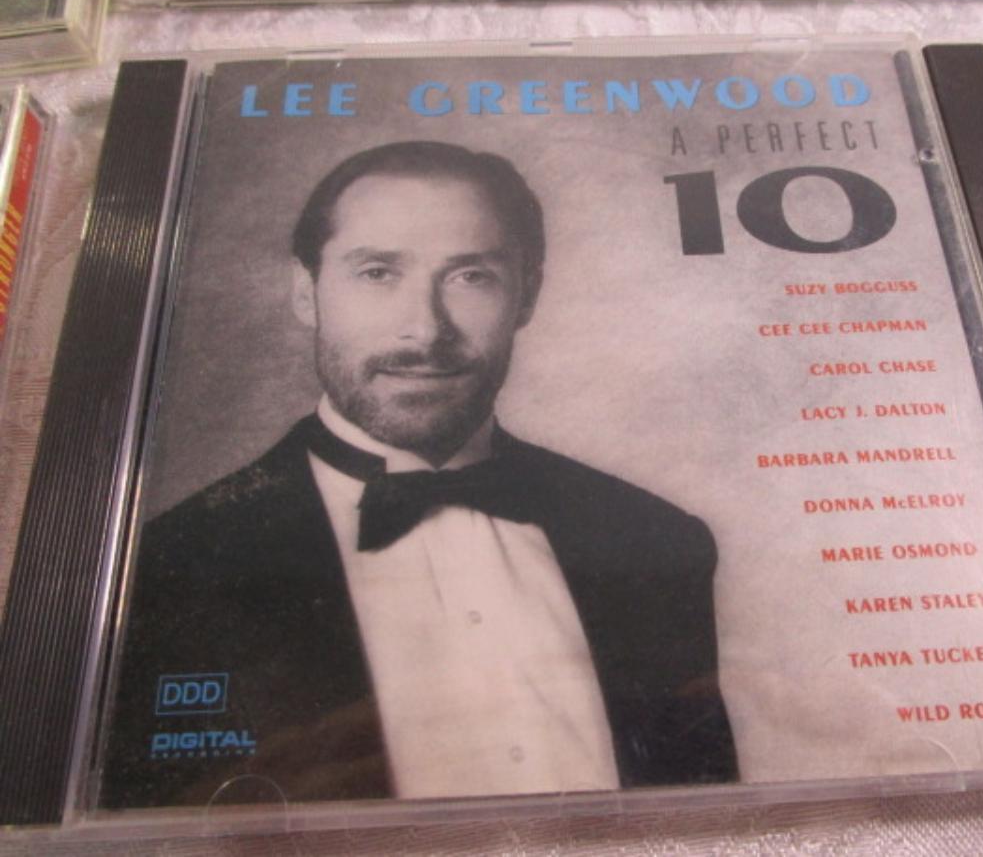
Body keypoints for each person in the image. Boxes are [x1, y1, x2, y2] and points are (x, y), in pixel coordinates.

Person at [101, 140, 738, 810]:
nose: (425, 330)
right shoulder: (166, 567)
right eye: (377, 272)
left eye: (471, 276)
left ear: (527, 294)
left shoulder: (659, 539)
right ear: (305, 292)